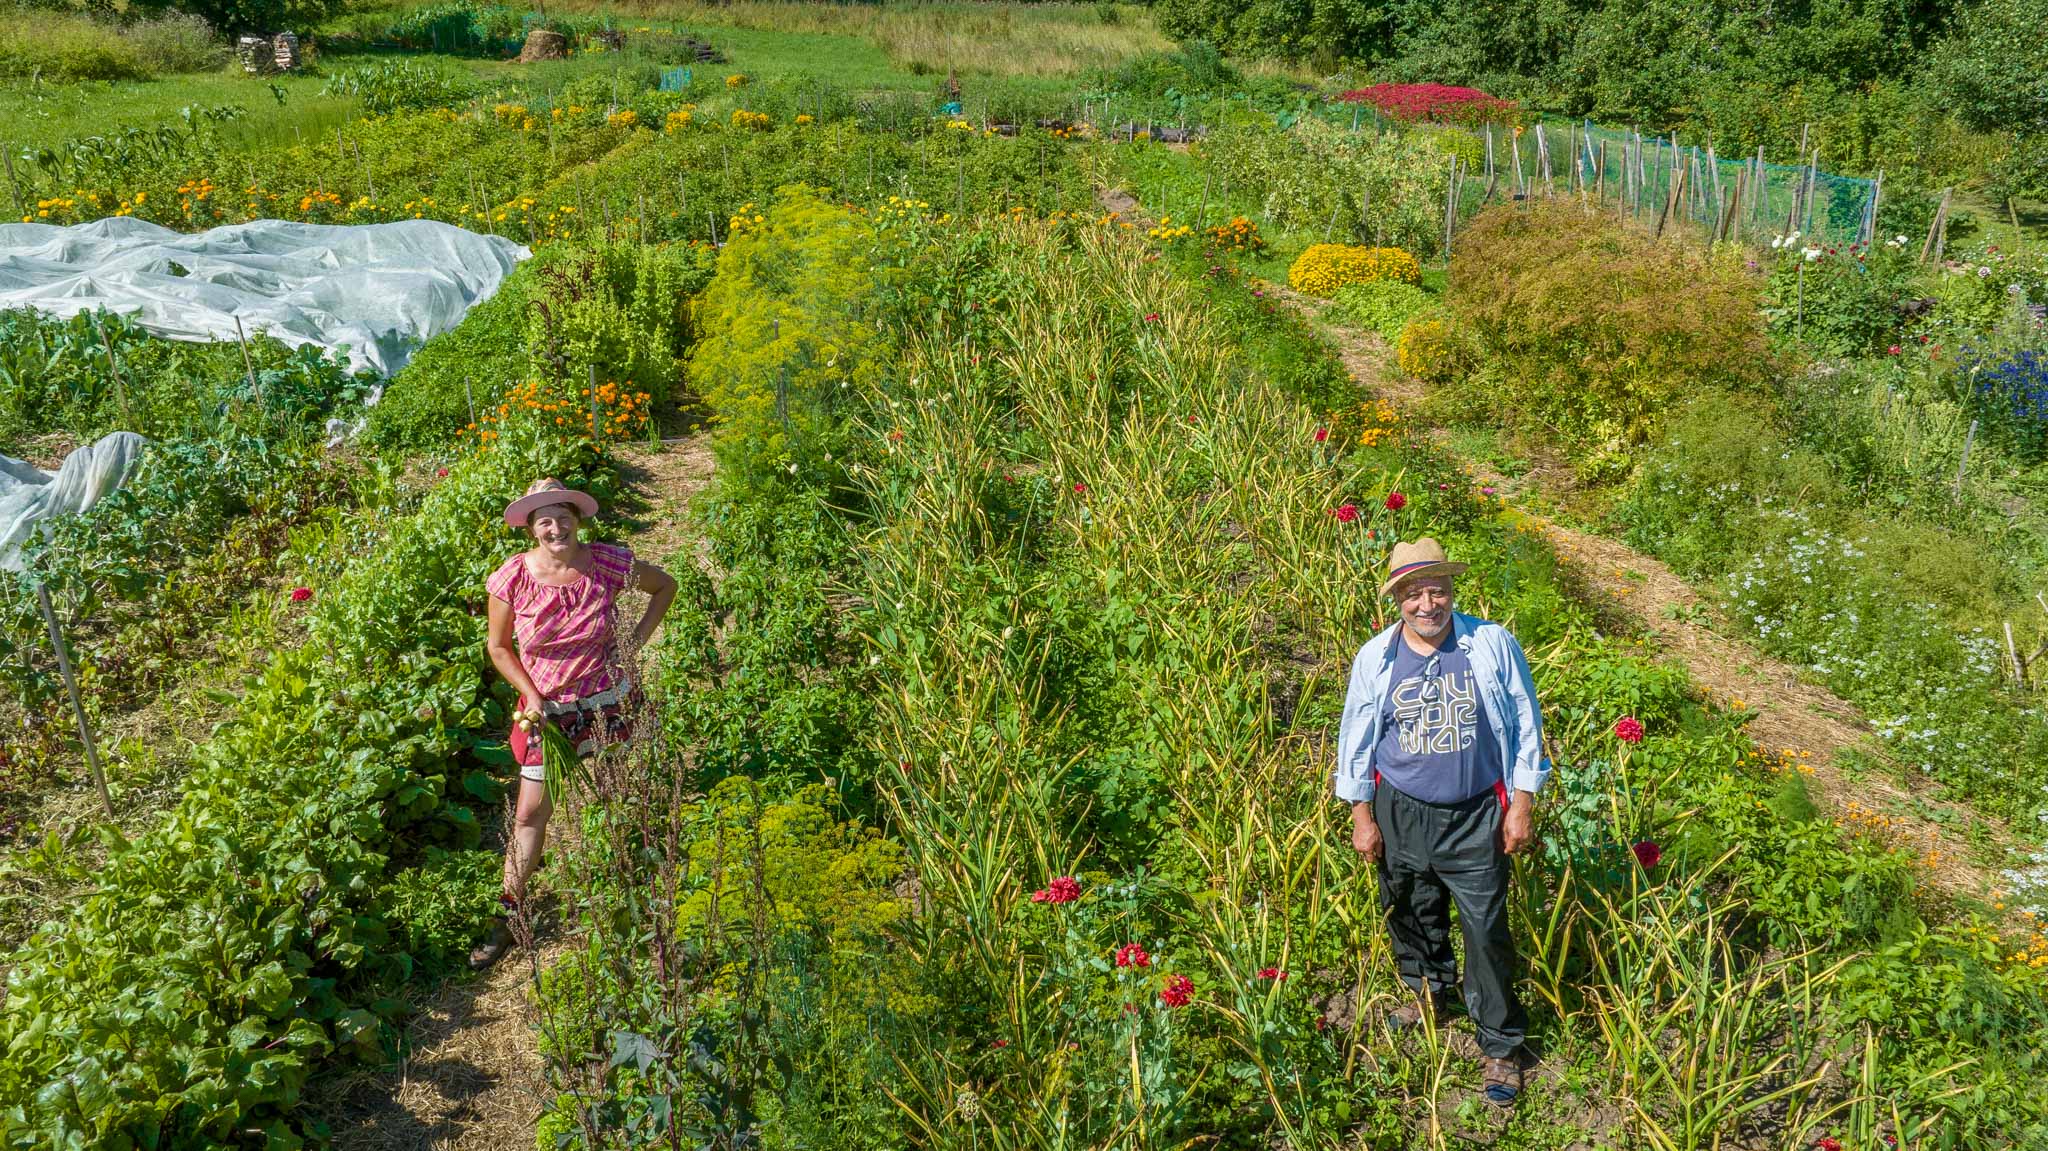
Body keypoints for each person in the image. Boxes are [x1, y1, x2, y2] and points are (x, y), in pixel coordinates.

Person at [1333, 537, 1550, 1106]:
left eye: (1437, 591)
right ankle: (1429, 991)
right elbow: (1356, 741)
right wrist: (1362, 815)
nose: (1427, 604)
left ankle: (1501, 1045)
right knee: (1409, 906)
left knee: (1485, 928)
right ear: (1396, 600)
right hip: (1398, 808)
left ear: (1452, 592)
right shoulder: (1374, 658)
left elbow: (1526, 724)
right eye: (1413, 593)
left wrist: (1521, 804)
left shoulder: (1490, 644)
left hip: (1477, 811)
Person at [469, 478, 678, 969]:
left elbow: (665, 585)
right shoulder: (513, 578)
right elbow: (498, 647)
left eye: (563, 515)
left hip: (607, 701)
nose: (555, 526)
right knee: (529, 814)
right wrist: (530, 693)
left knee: (621, 795)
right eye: (544, 519)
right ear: (531, 529)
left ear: (578, 521)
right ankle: (509, 916)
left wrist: (632, 646)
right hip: (548, 711)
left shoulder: (607, 562)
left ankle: (638, 890)